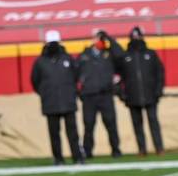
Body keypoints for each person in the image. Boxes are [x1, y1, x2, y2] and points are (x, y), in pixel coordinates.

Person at [31, 29, 81, 165]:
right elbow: (35, 81)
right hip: (51, 102)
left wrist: (70, 91)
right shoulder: (40, 62)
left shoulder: (67, 58)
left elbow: (75, 76)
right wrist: (45, 93)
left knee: (73, 132)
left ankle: (77, 157)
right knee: (54, 133)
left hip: (68, 100)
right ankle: (58, 158)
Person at [77, 30, 123, 159]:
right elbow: (76, 74)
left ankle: (116, 150)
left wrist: (108, 37)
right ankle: (87, 151)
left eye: (100, 38)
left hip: (105, 95)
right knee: (89, 125)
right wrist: (80, 91)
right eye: (98, 38)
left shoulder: (109, 54)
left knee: (111, 123)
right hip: (89, 96)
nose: (99, 40)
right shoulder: (84, 55)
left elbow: (121, 54)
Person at [119, 26, 165, 156]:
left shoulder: (150, 54)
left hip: (150, 94)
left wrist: (159, 90)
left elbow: (159, 73)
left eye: (138, 37)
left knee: (153, 121)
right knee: (137, 124)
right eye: (134, 37)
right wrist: (122, 94)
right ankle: (142, 149)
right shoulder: (125, 56)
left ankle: (159, 147)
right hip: (132, 96)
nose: (136, 39)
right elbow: (118, 77)